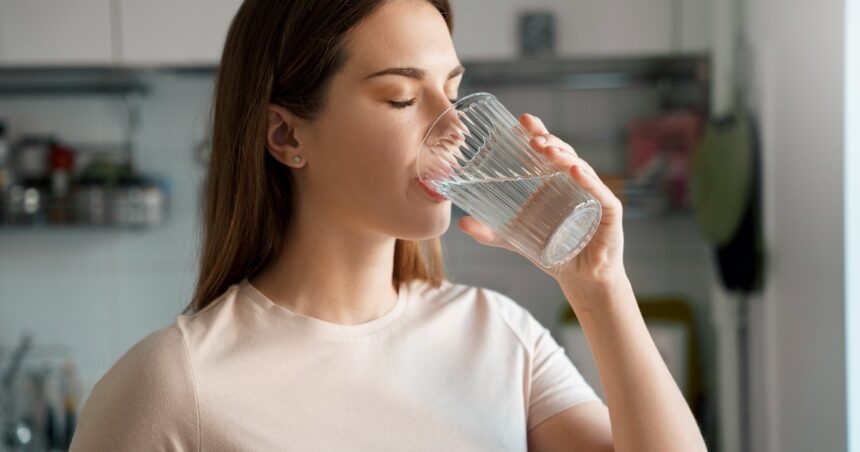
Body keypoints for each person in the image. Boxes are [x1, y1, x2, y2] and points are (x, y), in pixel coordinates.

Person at [69, 0, 707, 450]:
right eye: (402, 98)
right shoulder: (175, 386)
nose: (454, 128)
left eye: (452, 92)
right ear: (287, 135)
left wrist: (600, 287)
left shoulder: (502, 339)